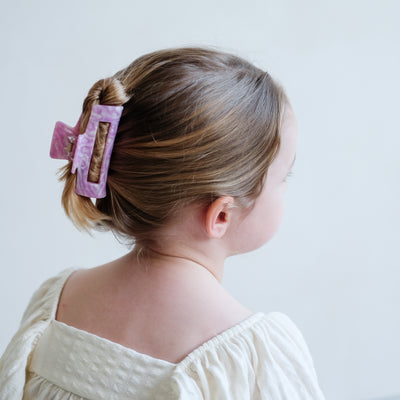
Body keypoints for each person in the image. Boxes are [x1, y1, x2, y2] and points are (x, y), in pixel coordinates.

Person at [0, 47, 325, 399]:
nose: (287, 186)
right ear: (221, 215)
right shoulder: (252, 357)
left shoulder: (55, 303)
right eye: (283, 175)